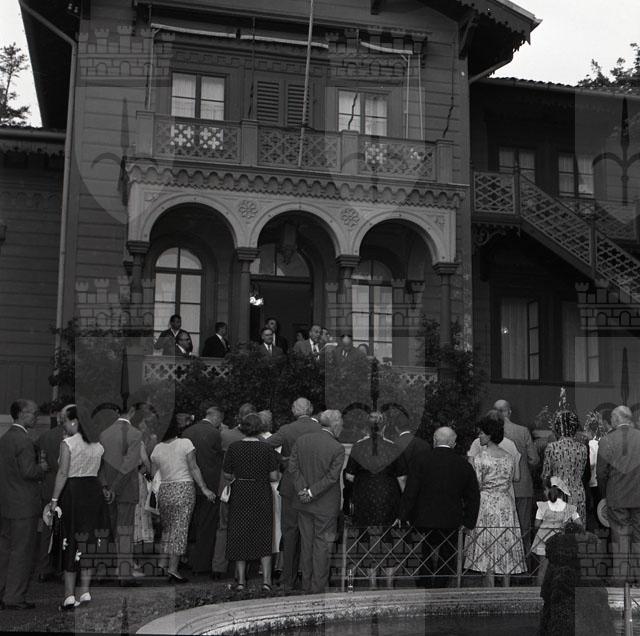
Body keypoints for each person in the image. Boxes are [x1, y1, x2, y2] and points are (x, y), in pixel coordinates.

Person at [399, 426, 480, 587]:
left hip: (423, 517)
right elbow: (473, 496)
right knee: (447, 552)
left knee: (425, 550)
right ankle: (442, 583)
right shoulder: (462, 464)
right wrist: (469, 521)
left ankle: (425, 581)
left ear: (434, 441)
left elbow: (411, 490)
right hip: (451, 518)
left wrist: (404, 514)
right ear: (453, 443)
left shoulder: (420, 460)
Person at [48, 405, 111, 610]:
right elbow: (100, 471)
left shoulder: (68, 443)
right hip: (93, 492)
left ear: (74, 421)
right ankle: (85, 590)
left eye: (64, 421)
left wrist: (54, 500)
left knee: (69, 539)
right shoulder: (97, 444)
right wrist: (104, 488)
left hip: (73, 493)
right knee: (88, 539)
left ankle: (69, 595)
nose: (63, 424)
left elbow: (63, 473)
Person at [150, 413, 216, 583]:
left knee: (167, 529)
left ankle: (162, 565)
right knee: (179, 529)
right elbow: (193, 468)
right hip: (184, 489)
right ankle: (173, 569)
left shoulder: (157, 449)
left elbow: (153, 473)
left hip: (165, 490)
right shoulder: (185, 444)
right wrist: (204, 488)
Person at [464, 410, 527, 587]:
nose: (479, 436)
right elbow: (515, 478)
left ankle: (490, 587)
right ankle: (506, 586)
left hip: (486, 503)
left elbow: (476, 484)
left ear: (489, 435)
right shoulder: (508, 457)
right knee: (506, 543)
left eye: (481, 433)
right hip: (506, 503)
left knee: (488, 543)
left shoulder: (480, 458)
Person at [266, 398, 321, 590]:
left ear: (293, 410)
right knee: (311, 533)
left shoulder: (287, 429)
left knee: (290, 533)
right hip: (313, 486)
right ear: (311, 409)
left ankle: (287, 579)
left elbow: (265, 445)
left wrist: (282, 459)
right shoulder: (320, 429)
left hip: (290, 486)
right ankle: (309, 578)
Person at [289, 409, 345, 594]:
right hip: (325, 504)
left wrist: (303, 490)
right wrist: (311, 492)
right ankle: (317, 588)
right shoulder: (337, 448)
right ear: (335, 425)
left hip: (304, 502)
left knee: (307, 544)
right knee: (322, 546)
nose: (342, 427)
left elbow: (293, 468)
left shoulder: (302, 440)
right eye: (341, 424)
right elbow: (332, 477)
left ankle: (306, 584)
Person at [223, 413, 280, 592]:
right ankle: (267, 581)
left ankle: (241, 581)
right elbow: (274, 476)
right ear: (260, 428)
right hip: (261, 492)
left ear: (242, 428)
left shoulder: (234, 447)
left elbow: (227, 474)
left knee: (239, 533)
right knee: (264, 533)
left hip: (240, 492)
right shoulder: (266, 448)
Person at [0, 399, 48, 610]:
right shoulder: (24, 440)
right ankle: (14, 597)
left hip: (7, 503)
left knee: (5, 550)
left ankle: (2, 591)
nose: (36, 417)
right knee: (22, 552)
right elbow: (29, 471)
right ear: (20, 413)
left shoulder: (5, 438)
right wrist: (42, 468)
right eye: (32, 413)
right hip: (24, 505)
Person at [99, 406, 144, 584]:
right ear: (132, 412)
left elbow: (99, 463)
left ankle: (103, 570)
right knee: (124, 532)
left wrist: (105, 486)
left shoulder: (104, 434)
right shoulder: (135, 434)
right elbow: (128, 466)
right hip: (125, 490)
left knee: (108, 531)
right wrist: (115, 489)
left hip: (106, 489)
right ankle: (124, 574)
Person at [597, 405, 640, 582]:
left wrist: (604, 494)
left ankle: (622, 579)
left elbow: (601, 473)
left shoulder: (606, 440)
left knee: (621, 537)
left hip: (617, 496)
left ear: (615, 419)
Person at [344, 412, 407, 526]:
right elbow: (402, 478)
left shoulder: (358, 447)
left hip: (363, 495)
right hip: (388, 495)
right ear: (384, 427)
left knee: (363, 531)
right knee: (387, 531)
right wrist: (405, 504)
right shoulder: (394, 447)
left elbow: (349, 476)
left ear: (367, 427)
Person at [181, 406, 223, 575]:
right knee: (207, 525)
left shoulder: (187, 432)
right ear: (217, 417)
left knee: (189, 523)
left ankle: (184, 559)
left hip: (189, 482)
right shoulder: (214, 433)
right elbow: (219, 456)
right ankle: (201, 563)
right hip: (210, 483)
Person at [211, 403, 252, 579]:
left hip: (226, 488)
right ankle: (239, 572)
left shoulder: (225, 435)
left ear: (238, 416)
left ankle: (218, 567)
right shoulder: (258, 440)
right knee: (244, 529)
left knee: (223, 528)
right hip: (247, 488)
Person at [493, 399, 539, 554]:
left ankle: (503, 561)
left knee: (501, 528)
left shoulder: (491, 432)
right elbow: (534, 459)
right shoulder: (523, 431)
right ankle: (524, 561)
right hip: (522, 486)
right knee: (524, 527)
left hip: (500, 487)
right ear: (509, 412)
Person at [34, 407, 67, 582]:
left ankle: (44, 568)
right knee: (65, 529)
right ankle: (62, 568)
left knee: (47, 528)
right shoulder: (72, 438)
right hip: (66, 486)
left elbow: (37, 453)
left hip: (48, 485)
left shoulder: (45, 436)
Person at [542, 406, 588, 523]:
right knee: (577, 529)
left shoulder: (552, 447)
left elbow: (545, 475)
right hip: (578, 493)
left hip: (558, 495)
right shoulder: (582, 448)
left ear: (557, 427)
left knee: (559, 529)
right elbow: (583, 472)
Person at [532, 476, 579, 585]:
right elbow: (579, 523)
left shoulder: (542, 506)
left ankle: (540, 591)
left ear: (549, 490)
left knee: (543, 568)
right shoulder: (568, 508)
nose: (544, 492)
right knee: (560, 568)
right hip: (560, 540)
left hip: (543, 540)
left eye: (545, 489)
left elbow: (536, 524)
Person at [258, 411, 283, 561]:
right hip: (273, 484)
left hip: (258, 484)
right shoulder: (276, 441)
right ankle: (275, 560)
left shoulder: (251, 440)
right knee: (276, 523)